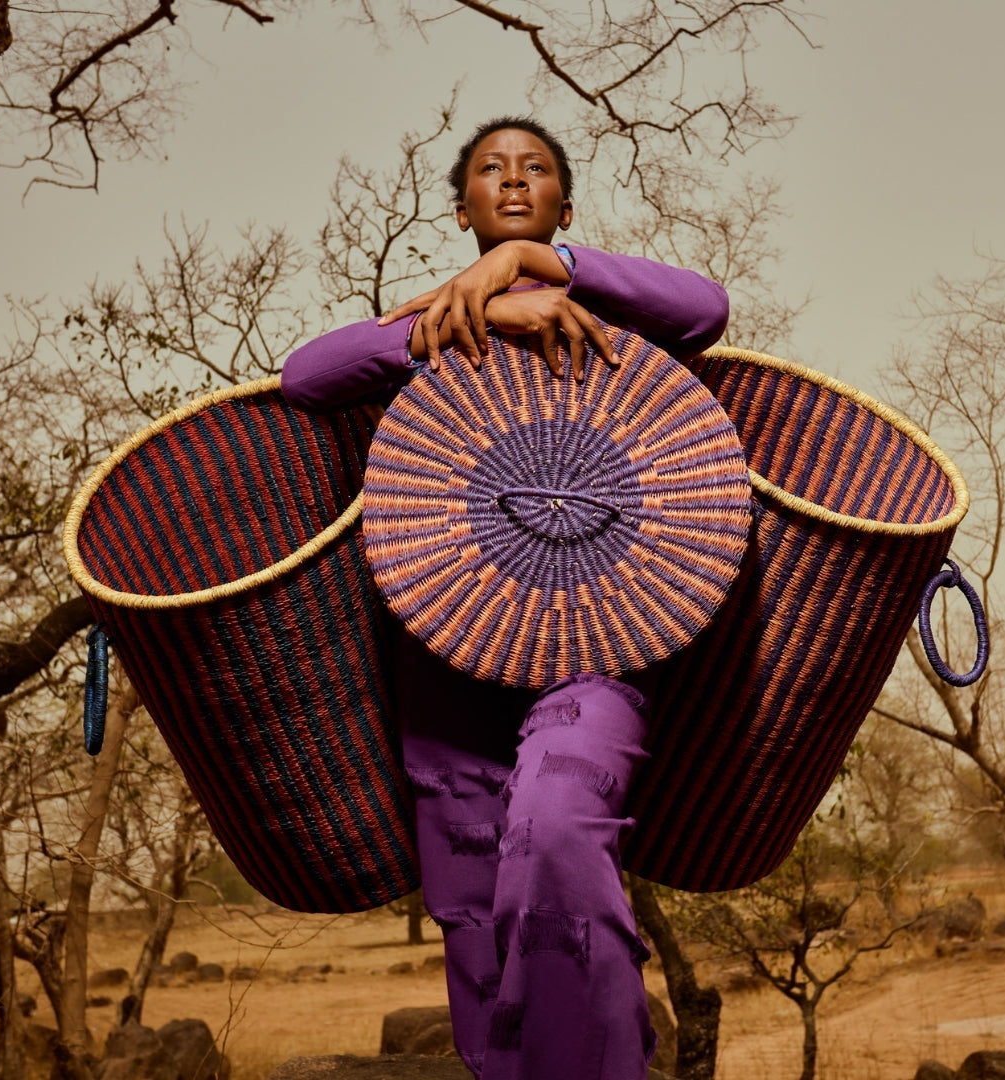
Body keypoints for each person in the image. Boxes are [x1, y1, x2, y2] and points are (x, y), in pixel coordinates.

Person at [281, 116, 730, 1080]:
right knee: (476, 928)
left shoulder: (609, 300)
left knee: (562, 834)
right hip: (445, 666)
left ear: (565, 203)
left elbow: (707, 309)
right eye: (492, 171)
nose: (514, 178)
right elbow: (305, 377)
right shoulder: (429, 320)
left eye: (537, 172)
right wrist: (479, 312)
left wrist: (540, 264)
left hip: (594, 646)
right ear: (462, 208)